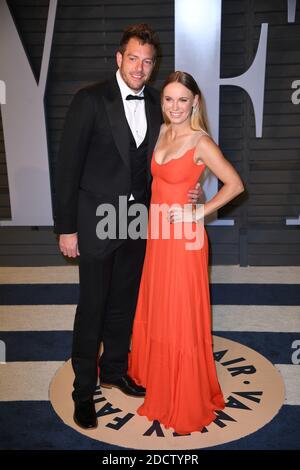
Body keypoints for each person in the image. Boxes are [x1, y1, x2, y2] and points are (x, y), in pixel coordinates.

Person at [54, 26, 201, 430]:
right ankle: (83, 391)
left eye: (147, 60)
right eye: (133, 58)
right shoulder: (89, 100)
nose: (140, 67)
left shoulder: (159, 102)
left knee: (124, 304)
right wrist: (67, 228)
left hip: (138, 222)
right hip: (97, 222)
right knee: (93, 308)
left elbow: (181, 154)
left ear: (154, 66)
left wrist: (196, 192)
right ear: (119, 59)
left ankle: (114, 370)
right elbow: (67, 168)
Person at [128, 71, 244, 434]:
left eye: (182, 100)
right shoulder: (163, 131)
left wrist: (198, 210)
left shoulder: (201, 141)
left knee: (180, 310)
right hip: (159, 235)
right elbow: (167, 181)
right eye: (168, 99)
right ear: (161, 101)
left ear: (194, 102)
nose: (175, 107)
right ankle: (156, 372)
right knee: (159, 304)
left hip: (185, 239)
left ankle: (183, 392)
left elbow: (235, 184)